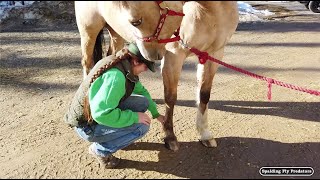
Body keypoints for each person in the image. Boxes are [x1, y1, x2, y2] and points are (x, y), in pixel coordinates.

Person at [73, 43, 165, 169]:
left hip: (92, 116)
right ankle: (100, 150)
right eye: (146, 66)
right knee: (142, 126)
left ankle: (119, 136)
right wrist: (134, 117)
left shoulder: (122, 64)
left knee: (143, 102)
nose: (146, 70)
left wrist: (156, 114)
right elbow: (101, 114)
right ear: (136, 61)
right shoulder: (116, 77)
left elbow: (142, 92)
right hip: (88, 126)